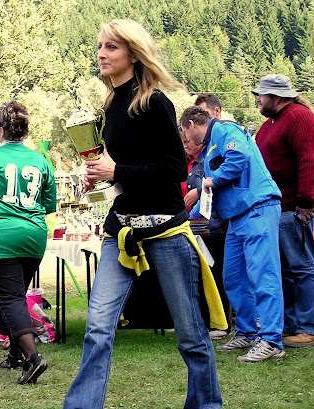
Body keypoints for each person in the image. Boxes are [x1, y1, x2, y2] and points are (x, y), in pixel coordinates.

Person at [63, 19, 225, 409]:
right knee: (97, 329)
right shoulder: (108, 107)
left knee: (190, 334)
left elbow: (175, 170)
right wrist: (99, 180)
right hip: (120, 233)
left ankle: (206, 405)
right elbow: (119, 174)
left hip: (166, 232)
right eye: (99, 46)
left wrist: (116, 170)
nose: (102, 53)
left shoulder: (155, 103)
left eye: (111, 47)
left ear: (133, 54)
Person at [180, 106, 286, 363]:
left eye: (184, 131)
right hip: (236, 218)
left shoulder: (225, 129)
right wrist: (184, 219)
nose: (185, 138)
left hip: (257, 208)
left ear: (192, 124)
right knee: (234, 277)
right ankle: (247, 332)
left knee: (263, 273)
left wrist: (211, 180)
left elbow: (238, 158)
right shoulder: (209, 148)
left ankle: (271, 340)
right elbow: (209, 197)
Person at [0, 100, 56, 385]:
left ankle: (33, 357)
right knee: (15, 294)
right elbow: (49, 203)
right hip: (33, 234)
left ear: (1, 129)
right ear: (25, 132)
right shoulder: (41, 161)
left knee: (9, 297)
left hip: (0, 235)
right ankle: (16, 354)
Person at [252, 74, 314, 347]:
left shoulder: (299, 117)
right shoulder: (268, 125)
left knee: (303, 268)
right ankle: (290, 324)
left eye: (261, 95)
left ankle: (311, 327)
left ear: (276, 96)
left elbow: (308, 160)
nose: (258, 100)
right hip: (275, 208)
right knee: (283, 270)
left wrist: (306, 202)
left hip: (295, 207)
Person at [180, 128, 230, 340]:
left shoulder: (208, 158)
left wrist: (199, 191)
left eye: (188, 141)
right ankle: (198, 322)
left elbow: (219, 182)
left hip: (212, 226)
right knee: (195, 276)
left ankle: (221, 323)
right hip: (190, 226)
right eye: (182, 142)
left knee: (216, 274)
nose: (185, 145)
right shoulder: (183, 162)